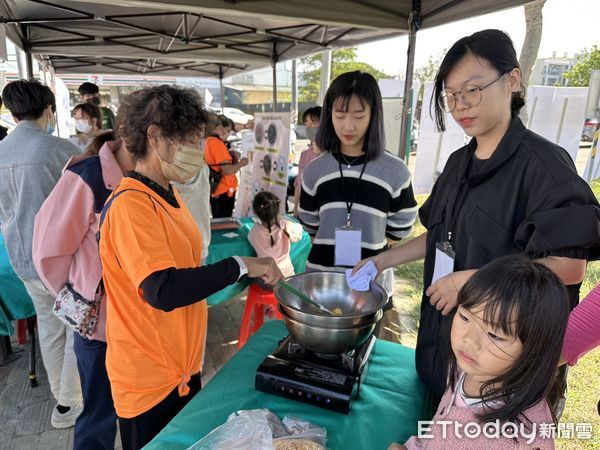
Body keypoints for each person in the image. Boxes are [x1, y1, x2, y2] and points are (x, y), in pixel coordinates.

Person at [354, 29, 600, 410]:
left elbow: (568, 267)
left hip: (505, 372)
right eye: (451, 96)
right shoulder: (457, 163)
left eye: (472, 89)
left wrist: (468, 281)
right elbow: (437, 235)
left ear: (512, 80)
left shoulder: (545, 167)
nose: (461, 105)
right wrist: (381, 260)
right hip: (446, 346)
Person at [97, 85, 282, 450]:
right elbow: (162, 290)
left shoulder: (168, 193)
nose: (198, 152)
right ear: (155, 137)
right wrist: (243, 264)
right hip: (148, 378)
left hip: (181, 366)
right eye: (192, 141)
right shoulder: (132, 205)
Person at [32, 108, 135, 449]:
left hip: (139, 318)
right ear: (145, 136)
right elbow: (50, 251)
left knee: (135, 408)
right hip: (101, 322)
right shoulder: (88, 176)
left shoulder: (146, 177)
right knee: (99, 413)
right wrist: (81, 294)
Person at [389, 255, 568, 449]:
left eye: (494, 335)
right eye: (465, 317)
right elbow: (440, 430)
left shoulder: (520, 441)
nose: (469, 340)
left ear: (535, 347)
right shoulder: (466, 369)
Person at [0, 79, 82, 428]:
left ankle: (63, 400)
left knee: (49, 326)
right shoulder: (59, 149)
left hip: (20, 256)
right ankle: (70, 400)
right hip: (62, 257)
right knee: (77, 325)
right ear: (48, 110)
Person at [298, 71, 418, 305]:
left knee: (367, 342)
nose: (348, 125)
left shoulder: (395, 171)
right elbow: (309, 225)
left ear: (374, 115)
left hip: (372, 284)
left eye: (359, 115)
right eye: (340, 115)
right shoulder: (314, 170)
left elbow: (401, 229)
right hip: (321, 280)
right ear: (329, 114)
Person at [248, 191, 303, 288]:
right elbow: (298, 235)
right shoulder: (285, 226)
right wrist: (282, 221)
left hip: (266, 281)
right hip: (287, 277)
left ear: (256, 213)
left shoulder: (254, 231)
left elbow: (251, 239)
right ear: (277, 210)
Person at [204, 112, 249, 218]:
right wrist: (242, 163)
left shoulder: (208, 141)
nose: (226, 133)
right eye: (222, 129)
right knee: (223, 221)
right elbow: (227, 170)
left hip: (216, 190)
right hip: (223, 190)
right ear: (214, 128)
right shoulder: (216, 143)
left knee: (218, 218)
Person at [293, 106, 322, 217]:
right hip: (303, 215)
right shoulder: (305, 155)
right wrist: (295, 211)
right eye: (306, 124)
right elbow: (298, 185)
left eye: (313, 123)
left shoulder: (332, 156)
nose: (309, 128)